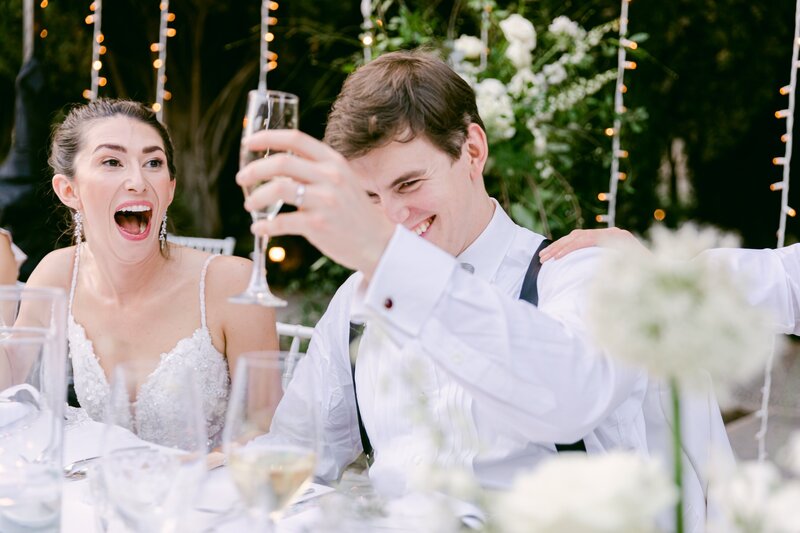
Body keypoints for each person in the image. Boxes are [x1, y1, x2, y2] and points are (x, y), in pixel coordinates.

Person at [237, 51, 724, 531]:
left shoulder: (578, 274)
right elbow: (295, 454)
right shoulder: (355, 305)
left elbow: (569, 397)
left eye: (408, 184)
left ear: (472, 150)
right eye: (369, 198)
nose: (391, 219)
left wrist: (400, 270)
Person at [22, 99, 278, 447]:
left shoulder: (232, 284)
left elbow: (267, 434)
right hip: (99, 492)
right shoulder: (57, 273)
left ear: (169, 189)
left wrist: (180, 478)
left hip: (207, 493)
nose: (138, 181)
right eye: (112, 161)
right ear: (70, 191)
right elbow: (10, 380)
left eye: (153, 162)